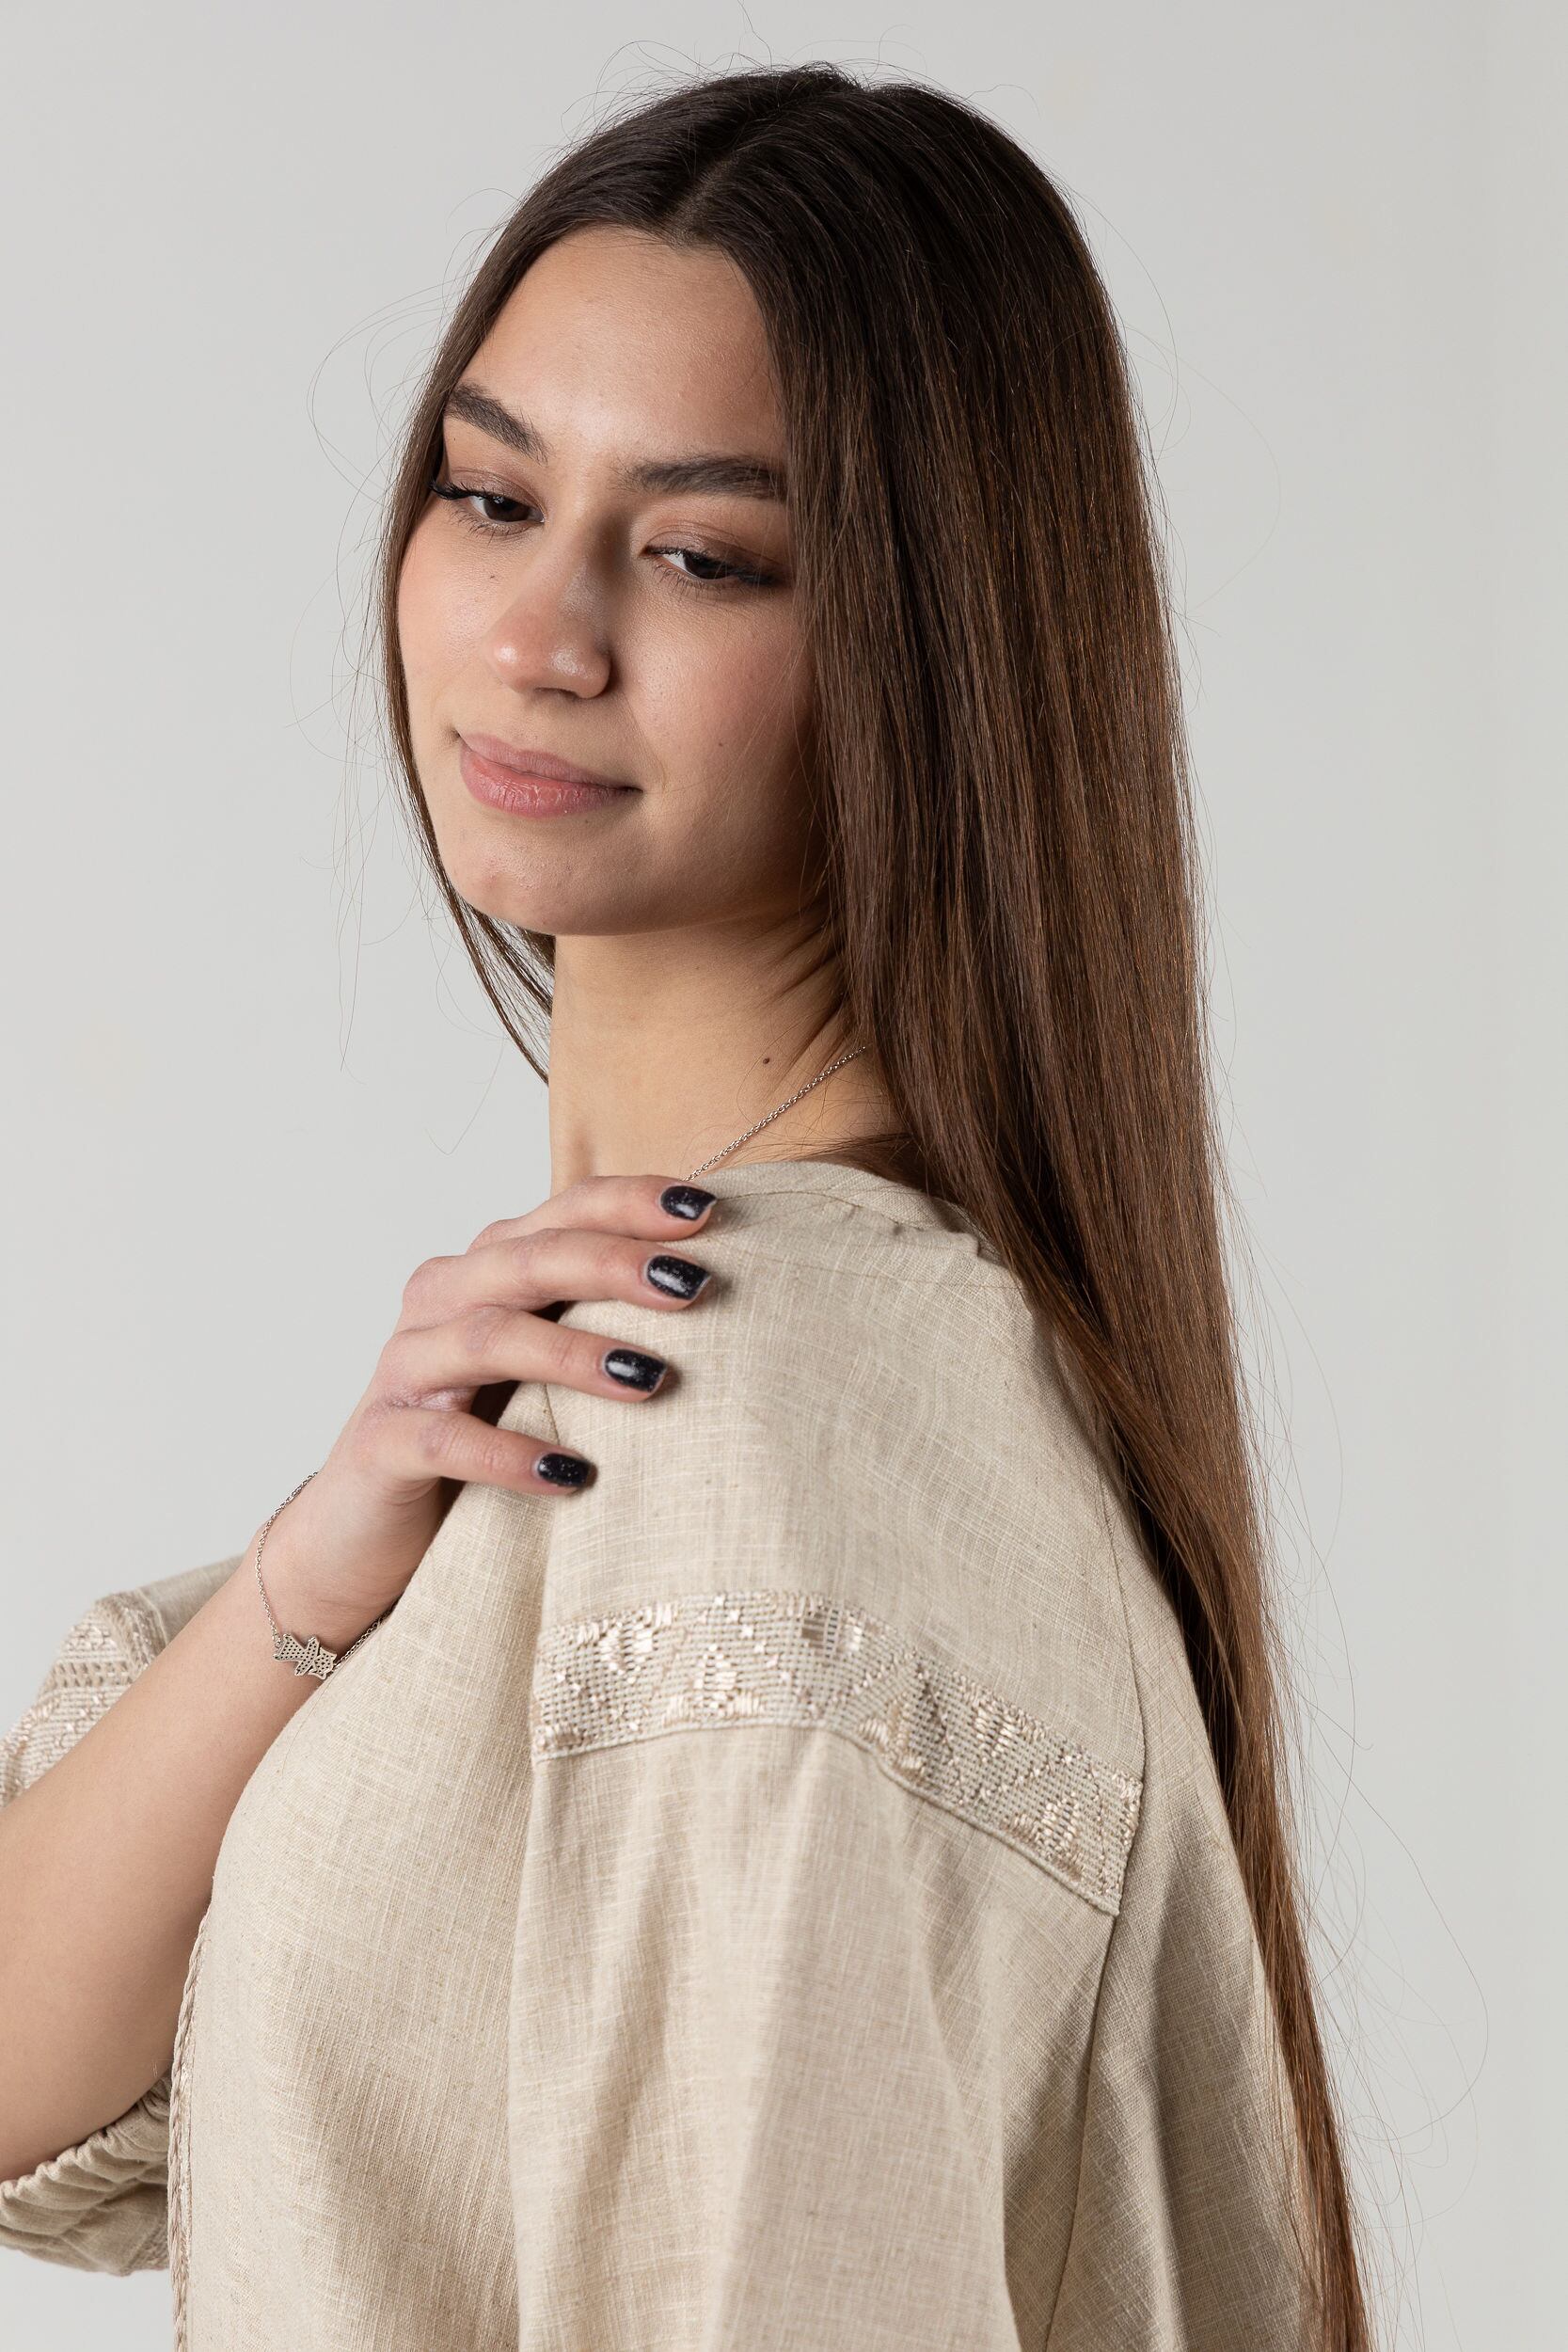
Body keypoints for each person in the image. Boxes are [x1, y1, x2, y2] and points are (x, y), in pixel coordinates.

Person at [0, 59, 1375, 2352]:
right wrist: (306, 1590)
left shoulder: (756, 1408)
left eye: (704, 553)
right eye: (490, 494)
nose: (540, 631)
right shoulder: (640, 1389)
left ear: (929, 648)